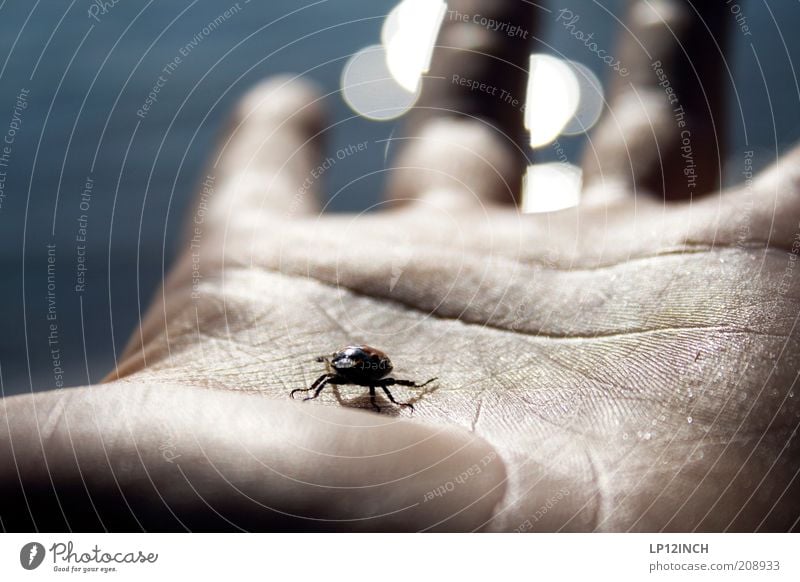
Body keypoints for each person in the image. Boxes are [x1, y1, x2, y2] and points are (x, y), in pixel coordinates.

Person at [1, 0, 798, 532]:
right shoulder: (356, 377)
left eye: (350, 380)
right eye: (350, 380)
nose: (347, 384)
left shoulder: (358, 376)